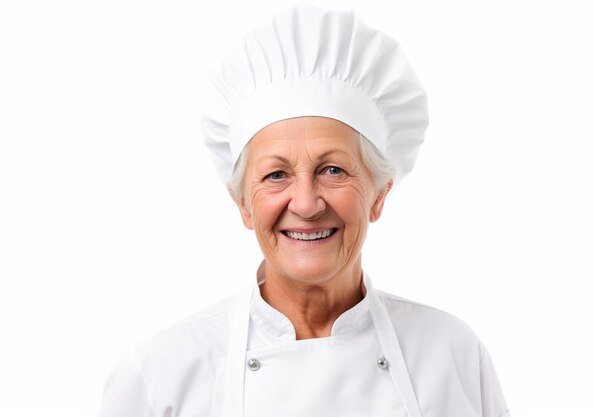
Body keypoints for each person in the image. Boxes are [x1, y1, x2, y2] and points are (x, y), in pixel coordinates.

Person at [99, 5, 509, 417]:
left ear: (379, 195)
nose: (307, 203)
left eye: (333, 170)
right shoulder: (159, 377)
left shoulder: (452, 356)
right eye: (276, 175)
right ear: (243, 204)